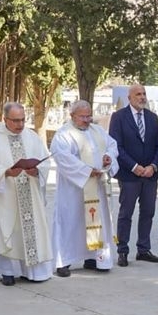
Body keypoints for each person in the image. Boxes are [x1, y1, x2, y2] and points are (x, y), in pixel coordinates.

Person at [0, 102, 55, 284]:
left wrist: (37, 170)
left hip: (30, 192)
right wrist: (5, 172)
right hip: (6, 194)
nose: (20, 125)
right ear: (5, 119)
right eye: (15, 121)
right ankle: (8, 271)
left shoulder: (32, 137)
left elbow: (45, 162)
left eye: (22, 120)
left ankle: (34, 272)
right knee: (8, 231)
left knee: (32, 232)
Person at [51, 100, 119, 275]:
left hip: (96, 187)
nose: (87, 120)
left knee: (97, 221)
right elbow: (63, 158)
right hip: (73, 189)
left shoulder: (97, 130)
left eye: (89, 115)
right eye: (83, 116)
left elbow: (112, 145)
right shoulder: (64, 135)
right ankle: (64, 262)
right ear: (72, 116)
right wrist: (86, 170)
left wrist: (108, 157)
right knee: (71, 222)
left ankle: (94, 258)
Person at [109, 83, 158, 267]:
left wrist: (153, 166)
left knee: (148, 212)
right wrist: (134, 166)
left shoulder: (152, 118)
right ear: (129, 98)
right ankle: (122, 250)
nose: (142, 97)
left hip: (150, 175)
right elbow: (116, 146)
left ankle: (143, 249)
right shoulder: (119, 117)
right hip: (129, 175)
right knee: (126, 213)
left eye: (144, 94)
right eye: (138, 94)